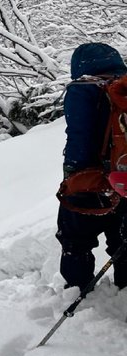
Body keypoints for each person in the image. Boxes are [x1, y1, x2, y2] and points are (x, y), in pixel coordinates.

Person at [57, 42, 127, 292]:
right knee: (122, 239)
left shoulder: (83, 89)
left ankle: (78, 289)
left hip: (90, 180)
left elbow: (79, 138)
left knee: (75, 239)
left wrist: (72, 177)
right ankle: (124, 289)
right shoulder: (125, 88)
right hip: (125, 180)